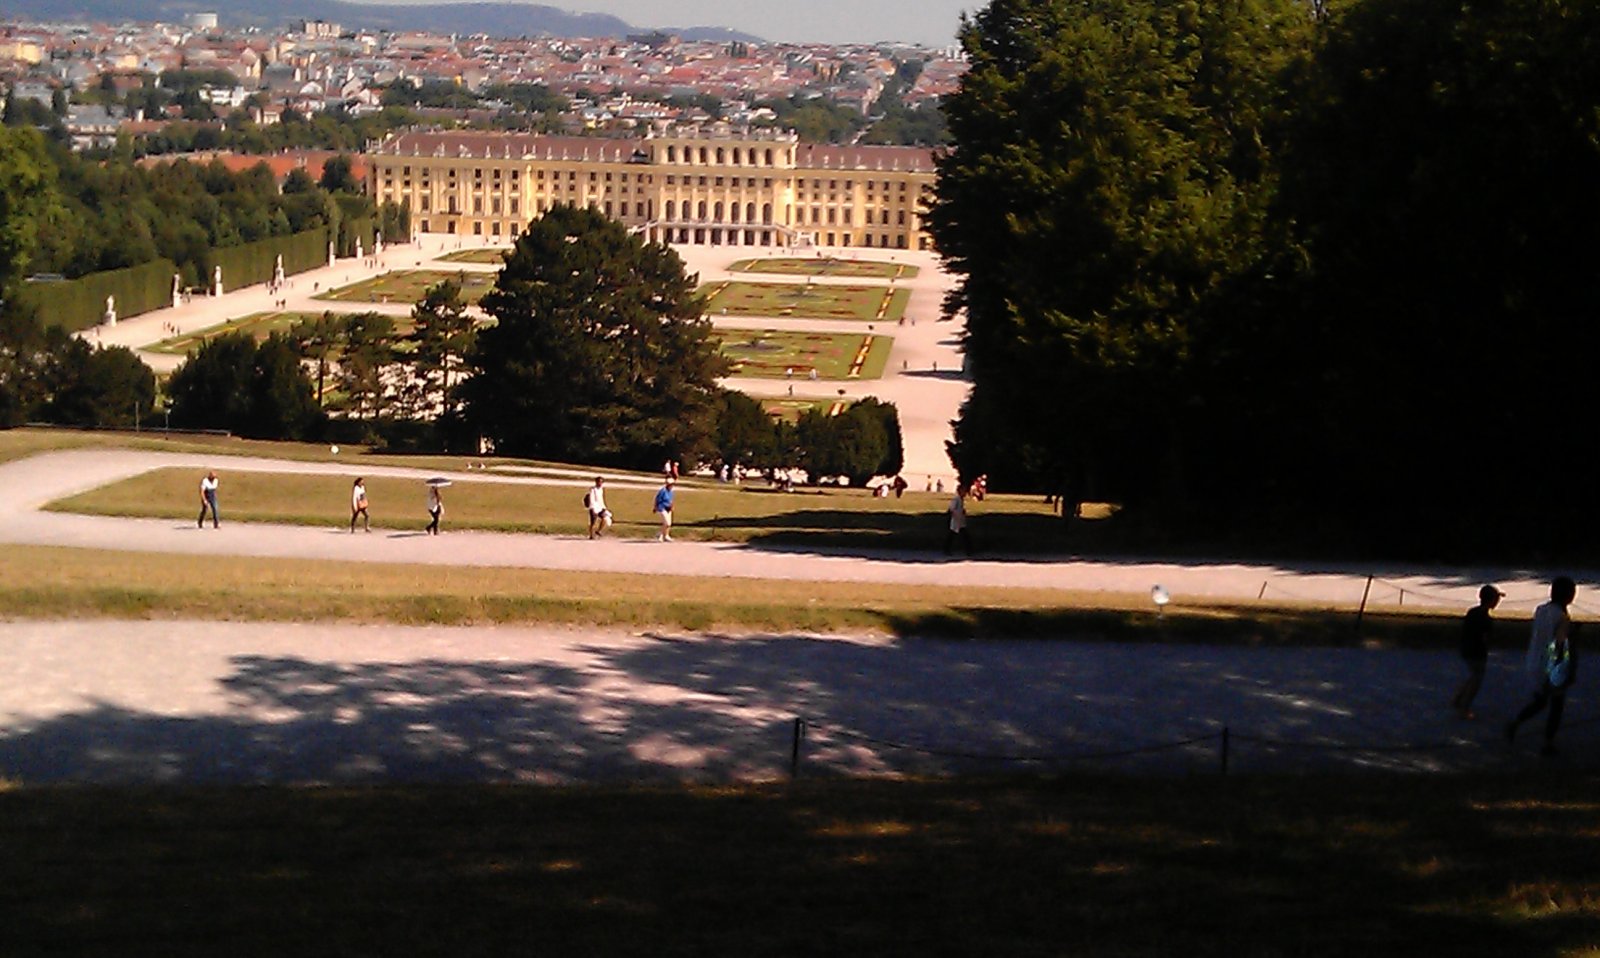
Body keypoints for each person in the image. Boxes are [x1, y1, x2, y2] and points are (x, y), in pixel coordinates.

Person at [1506, 576, 1578, 755]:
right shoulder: (1562, 617)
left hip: (1534, 661)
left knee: (1541, 700)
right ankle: (1548, 742)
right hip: (1550, 664)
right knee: (1556, 704)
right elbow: (1560, 644)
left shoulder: (1541, 610)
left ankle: (1516, 722)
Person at [1450, 584, 1502, 718]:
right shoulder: (1487, 619)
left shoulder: (1472, 612)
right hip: (1477, 652)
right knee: (1477, 679)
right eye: (1496, 599)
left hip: (1466, 648)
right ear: (1491, 600)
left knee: (1473, 675)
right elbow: (1485, 638)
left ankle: (1457, 698)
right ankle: (1464, 707)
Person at [944, 483, 973, 557]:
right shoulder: (956, 499)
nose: (965, 493)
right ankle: (947, 550)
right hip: (956, 521)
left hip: (960, 521)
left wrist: (963, 512)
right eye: (964, 491)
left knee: (962, 536)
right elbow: (951, 509)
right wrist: (956, 515)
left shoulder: (960, 499)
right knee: (953, 536)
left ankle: (968, 550)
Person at [654, 476, 675, 542]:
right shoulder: (662, 491)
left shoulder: (671, 491)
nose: (671, 486)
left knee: (668, 524)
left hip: (668, 508)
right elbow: (657, 499)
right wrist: (655, 507)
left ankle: (666, 535)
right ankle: (660, 535)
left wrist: (672, 506)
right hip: (662, 508)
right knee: (667, 523)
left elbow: (671, 500)